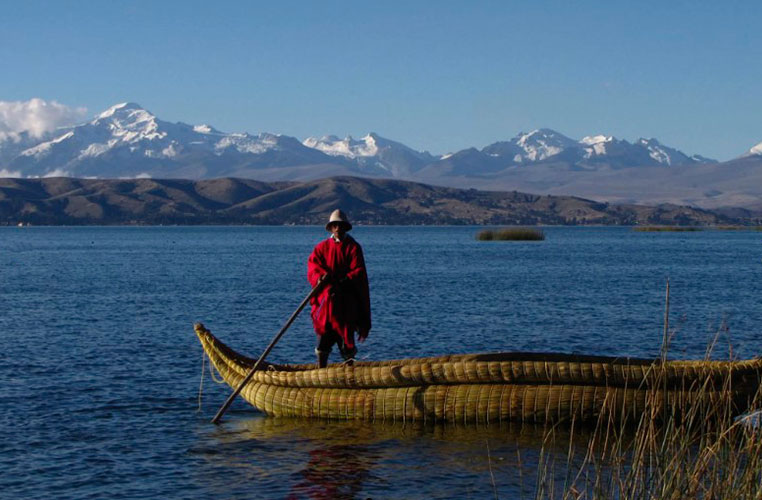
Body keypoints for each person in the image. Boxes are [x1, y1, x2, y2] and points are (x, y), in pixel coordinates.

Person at [307, 209, 371, 368]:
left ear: (345, 227)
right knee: (323, 342)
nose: (337, 228)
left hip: (345, 305)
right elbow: (313, 267)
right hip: (327, 304)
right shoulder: (321, 248)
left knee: (346, 344)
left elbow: (359, 271)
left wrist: (343, 280)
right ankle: (320, 374)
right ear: (331, 228)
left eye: (340, 225)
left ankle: (350, 375)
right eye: (335, 225)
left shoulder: (353, 247)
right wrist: (321, 276)